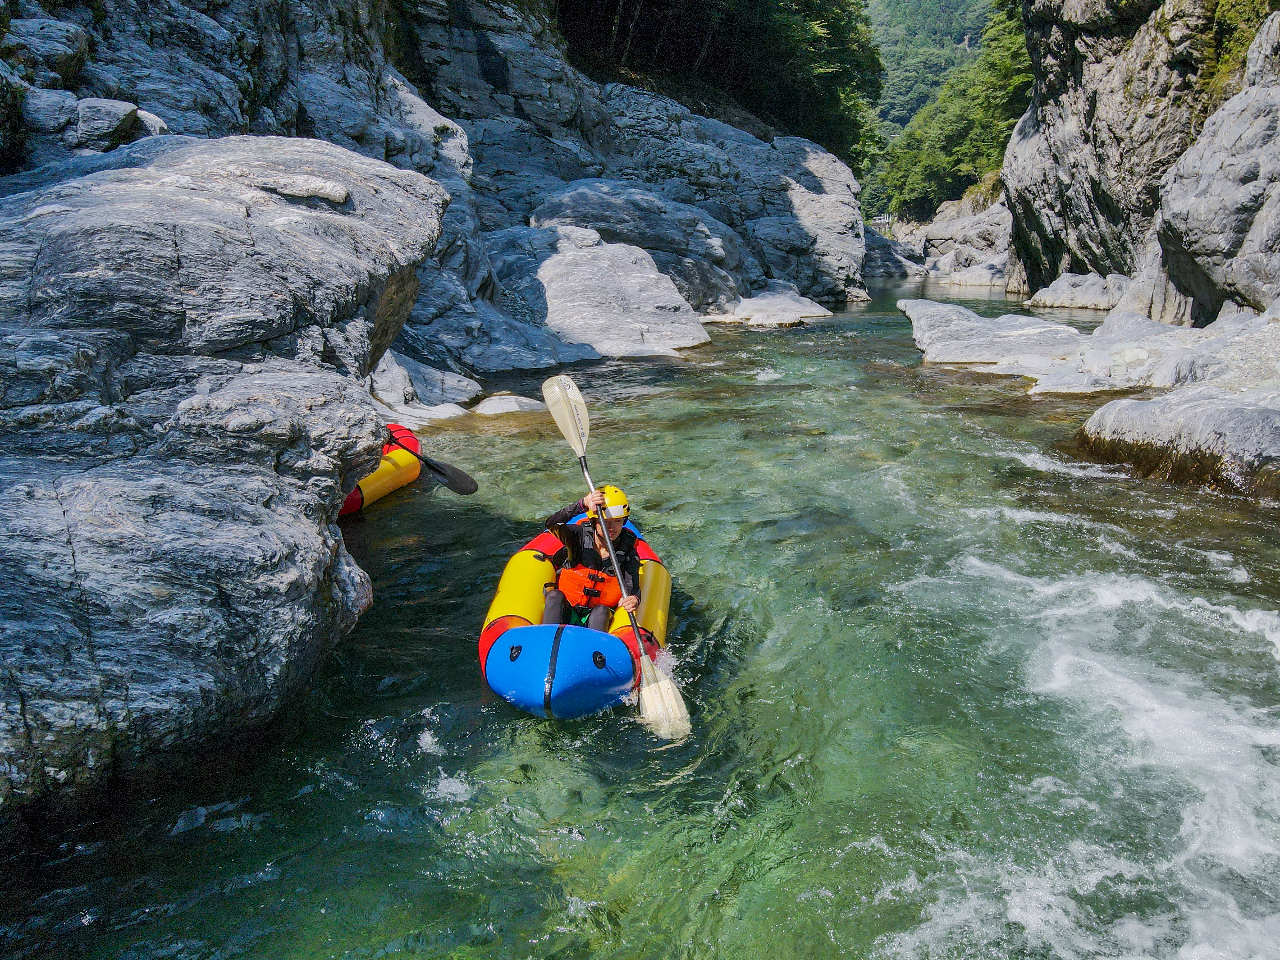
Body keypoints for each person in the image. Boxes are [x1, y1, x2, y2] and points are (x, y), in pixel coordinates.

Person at [542, 485, 640, 632]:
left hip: (596, 617)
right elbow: (551, 524)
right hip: (568, 609)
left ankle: (592, 651)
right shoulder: (578, 536)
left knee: (601, 611)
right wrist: (582, 504)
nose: (612, 527)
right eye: (605, 521)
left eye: (618, 521)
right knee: (554, 596)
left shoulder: (627, 548)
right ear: (594, 521)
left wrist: (634, 599)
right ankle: (547, 642)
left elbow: (633, 585)